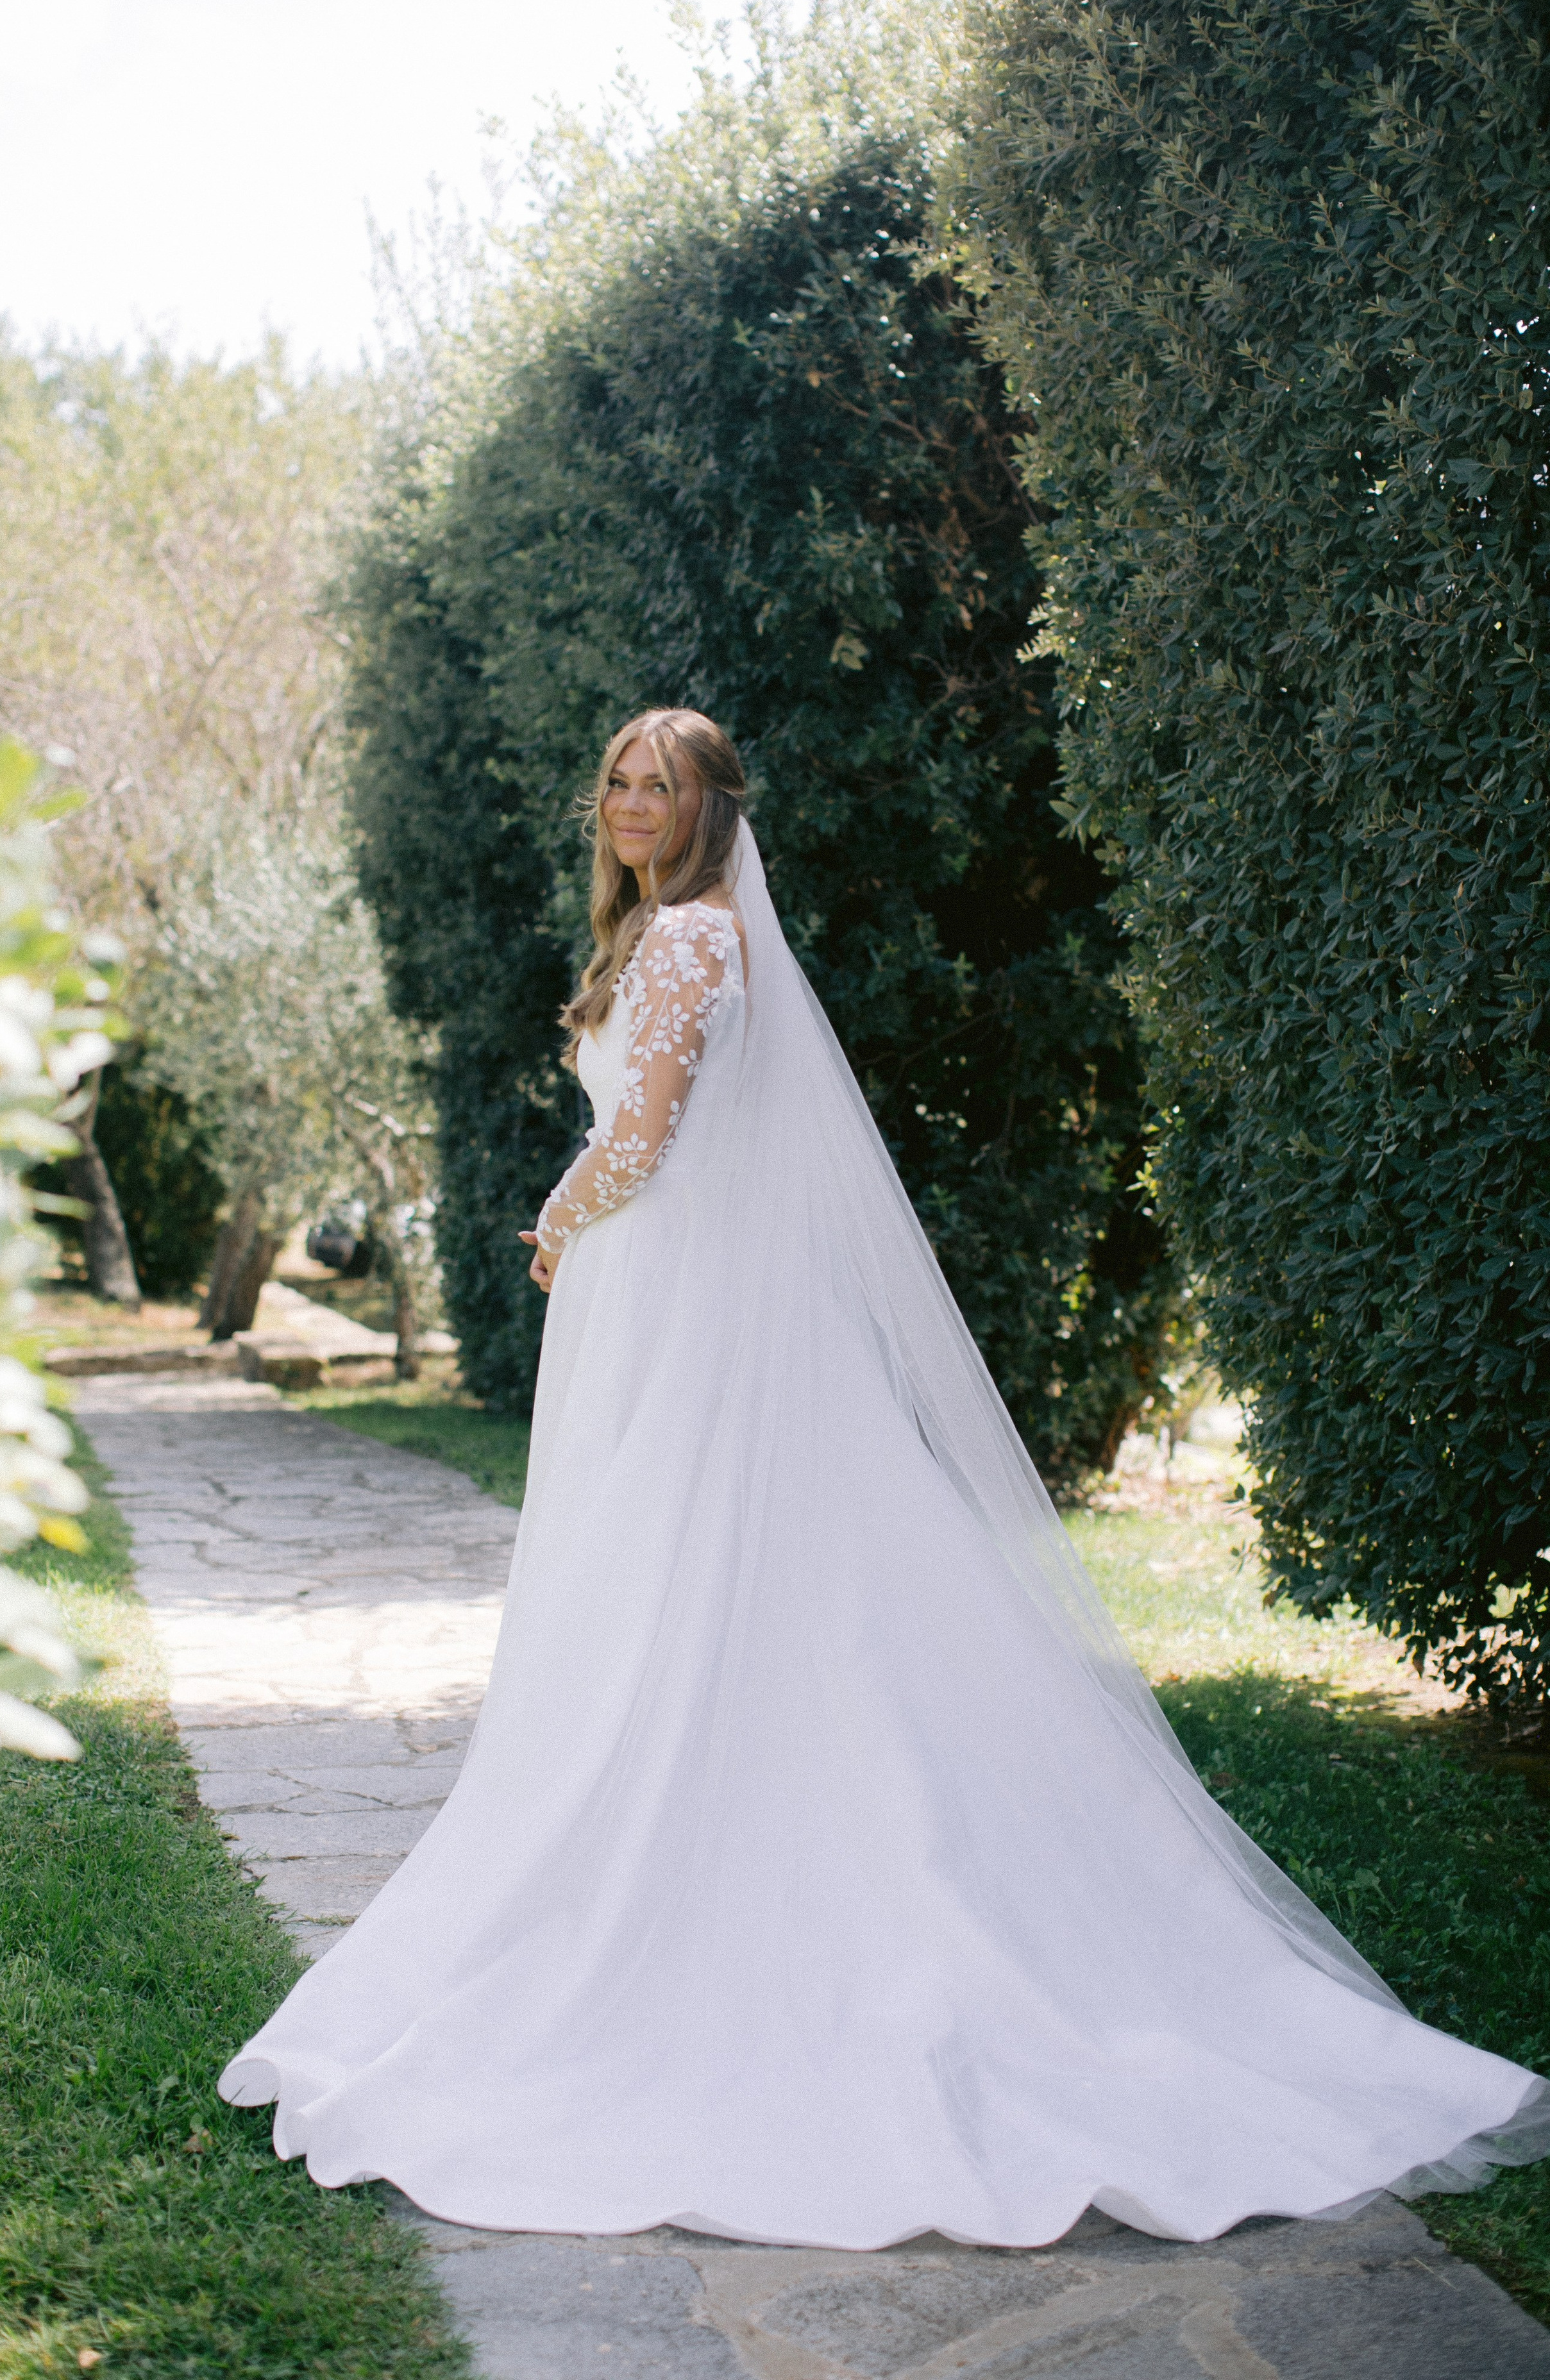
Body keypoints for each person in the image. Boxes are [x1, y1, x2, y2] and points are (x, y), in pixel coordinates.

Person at [221, 707, 1549, 2247]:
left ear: (712, 806)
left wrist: (553, 1209)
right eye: (616, 782)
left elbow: (641, 1141)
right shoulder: (685, 938)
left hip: (675, 1297)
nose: (630, 805)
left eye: (660, 785)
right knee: (727, 1588)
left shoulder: (688, 946)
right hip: (687, 1296)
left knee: (680, 1584)